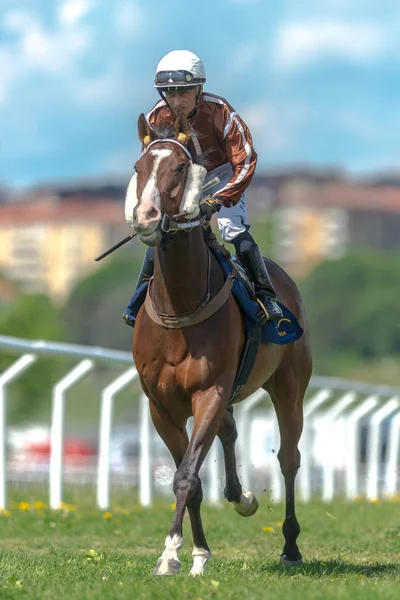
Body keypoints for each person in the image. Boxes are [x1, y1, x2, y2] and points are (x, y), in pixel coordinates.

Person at [130, 50, 282, 322]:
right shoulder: (156, 117)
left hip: (223, 173)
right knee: (163, 229)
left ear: (199, 88)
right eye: (170, 93)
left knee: (231, 229)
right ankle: (139, 298)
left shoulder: (221, 112)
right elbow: (153, 166)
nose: (175, 101)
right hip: (187, 177)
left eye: (183, 93)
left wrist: (218, 200)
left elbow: (246, 161)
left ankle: (266, 295)